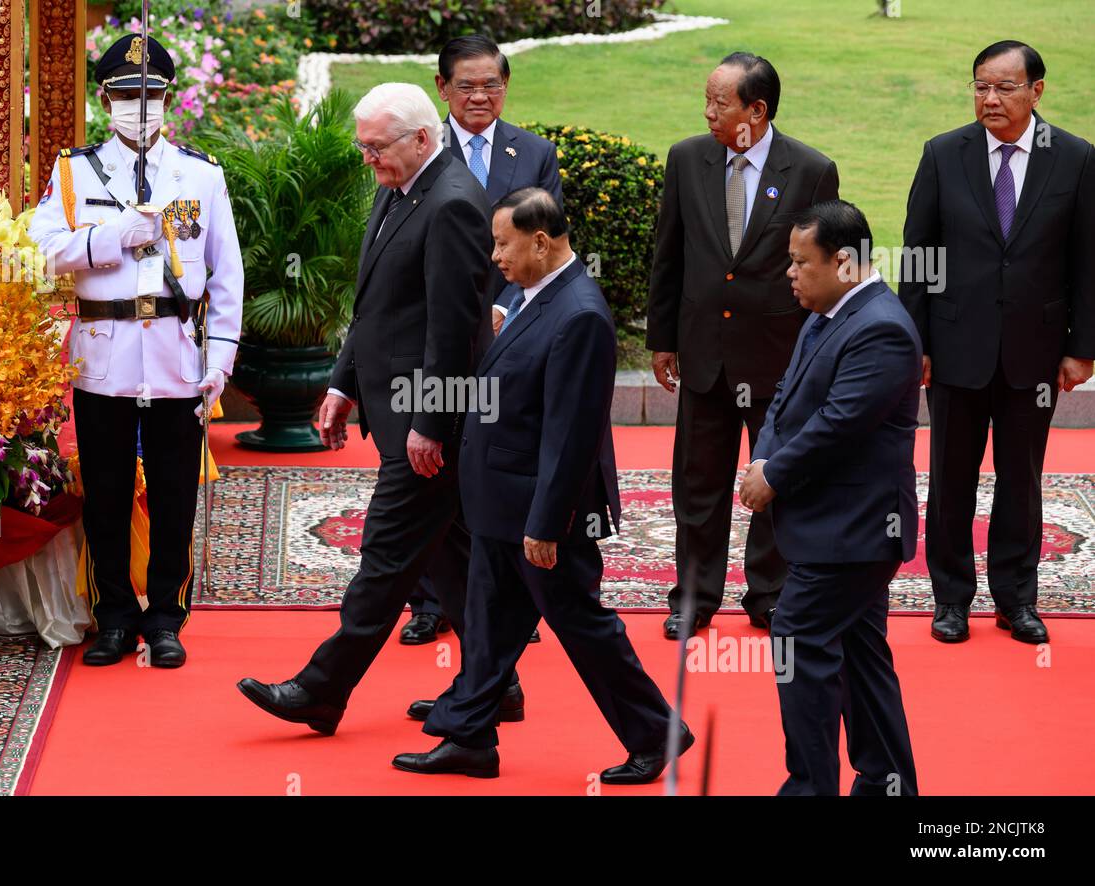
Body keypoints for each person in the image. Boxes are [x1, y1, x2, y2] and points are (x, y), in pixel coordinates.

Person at [393, 188, 690, 783]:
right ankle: (469, 735)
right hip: (504, 500)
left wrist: (545, 524)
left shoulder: (578, 314)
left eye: (502, 244)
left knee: (580, 623)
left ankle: (657, 732)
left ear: (541, 241)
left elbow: (571, 434)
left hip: (541, 512)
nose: (494, 255)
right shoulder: (532, 296)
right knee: (491, 617)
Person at [236, 83, 494, 734]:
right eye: (362, 147)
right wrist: (340, 384)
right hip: (393, 407)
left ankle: (323, 689)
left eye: (375, 147)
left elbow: (454, 329)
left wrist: (432, 424)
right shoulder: (396, 186)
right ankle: (496, 686)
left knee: (385, 554)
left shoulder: (454, 204)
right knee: (451, 554)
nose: (367, 160)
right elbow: (374, 303)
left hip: (430, 419)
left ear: (422, 139)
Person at [29, 34, 243, 668]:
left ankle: (166, 618)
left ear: (168, 99)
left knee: (176, 493)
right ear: (105, 99)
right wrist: (110, 237)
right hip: (104, 355)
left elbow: (226, 275)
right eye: (126, 95)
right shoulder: (73, 172)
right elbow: (39, 251)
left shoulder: (200, 175)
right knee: (107, 492)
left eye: (150, 96)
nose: (138, 107)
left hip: (178, 355)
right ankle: (114, 616)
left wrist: (220, 361)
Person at [900, 40, 1095, 645]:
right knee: (951, 478)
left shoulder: (1075, 159)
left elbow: (1087, 261)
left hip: (1034, 353)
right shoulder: (943, 154)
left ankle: (1017, 599)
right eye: (980, 86)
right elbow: (919, 256)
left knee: (1023, 478)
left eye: (1004, 87)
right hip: (956, 349)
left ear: (1037, 91)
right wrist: (917, 343)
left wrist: (1081, 346)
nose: (990, 98)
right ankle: (951, 600)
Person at [647, 52, 840, 639]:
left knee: (777, 477)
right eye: (706, 100)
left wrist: (821, 348)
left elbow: (826, 267)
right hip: (704, 351)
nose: (707, 112)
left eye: (719, 102)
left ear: (756, 110)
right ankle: (694, 596)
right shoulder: (686, 159)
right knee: (697, 484)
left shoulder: (810, 169)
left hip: (779, 354)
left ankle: (771, 594)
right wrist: (662, 340)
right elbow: (669, 253)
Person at [740, 199, 919, 796]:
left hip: (856, 530)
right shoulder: (829, 311)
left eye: (799, 262)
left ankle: (809, 788)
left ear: (844, 261)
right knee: (862, 658)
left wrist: (775, 476)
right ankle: (888, 784)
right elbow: (788, 397)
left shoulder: (882, 328)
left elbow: (838, 425)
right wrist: (763, 456)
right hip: (835, 526)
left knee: (796, 639)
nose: (789, 273)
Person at [401, 34, 563, 647]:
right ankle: (429, 601)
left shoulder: (534, 152)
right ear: (441, 88)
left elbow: (545, 243)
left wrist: (503, 309)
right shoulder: (418, 150)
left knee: (498, 461)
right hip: (436, 339)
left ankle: (510, 601)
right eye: (466, 85)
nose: (479, 96)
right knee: (431, 461)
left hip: (512, 330)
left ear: (506, 85)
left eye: (491, 84)